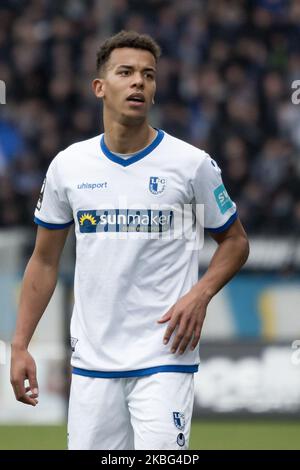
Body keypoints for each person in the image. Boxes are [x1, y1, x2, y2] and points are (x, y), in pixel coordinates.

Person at [10, 30, 249, 450]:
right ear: (100, 88)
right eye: (126, 72)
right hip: (91, 364)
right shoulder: (69, 166)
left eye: (148, 75)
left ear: (154, 91)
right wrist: (20, 344)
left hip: (165, 357)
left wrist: (200, 294)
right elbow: (44, 262)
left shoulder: (191, 165)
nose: (139, 82)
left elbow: (235, 241)